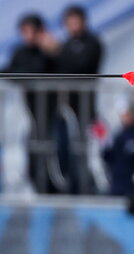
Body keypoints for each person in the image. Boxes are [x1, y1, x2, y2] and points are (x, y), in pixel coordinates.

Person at [43, 5, 104, 193]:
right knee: (63, 151)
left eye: (76, 21)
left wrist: (58, 52)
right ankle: (67, 188)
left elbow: (81, 67)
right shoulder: (67, 45)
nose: (72, 26)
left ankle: (86, 189)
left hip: (84, 109)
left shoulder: (92, 44)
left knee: (84, 153)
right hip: (64, 110)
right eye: (69, 23)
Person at [2, 12, 55, 192]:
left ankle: (51, 188)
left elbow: (40, 69)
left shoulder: (49, 51)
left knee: (51, 152)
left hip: (52, 112)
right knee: (32, 150)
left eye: (33, 31)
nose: (29, 36)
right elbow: (9, 71)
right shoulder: (21, 52)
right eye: (25, 31)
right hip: (31, 112)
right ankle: (37, 186)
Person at [99, 106, 134, 196]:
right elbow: (110, 157)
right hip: (118, 181)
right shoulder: (119, 134)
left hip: (133, 183)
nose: (124, 119)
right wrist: (104, 143)